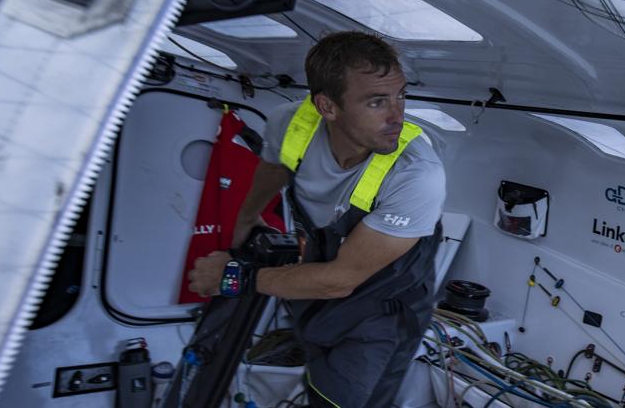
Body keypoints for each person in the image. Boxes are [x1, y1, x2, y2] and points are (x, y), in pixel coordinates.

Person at [189, 31, 445, 408]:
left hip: (382, 310)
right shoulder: (290, 123)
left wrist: (233, 277)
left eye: (400, 96)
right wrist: (245, 223)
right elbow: (274, 170)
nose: (397, 116)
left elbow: (341, 281)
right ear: (327, 106)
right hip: (321, 286)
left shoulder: (417, 174)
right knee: (314, 379)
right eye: (377, 102)